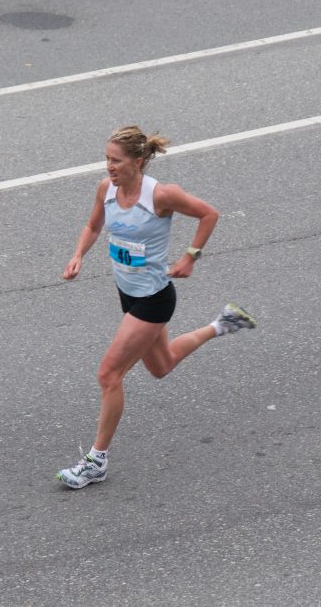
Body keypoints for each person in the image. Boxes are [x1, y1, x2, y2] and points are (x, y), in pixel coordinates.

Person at [56, 125, 257, 489]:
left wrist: (190, 256)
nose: (109, 167)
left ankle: (95, 461)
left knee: (109, 375)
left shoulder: (162, 195)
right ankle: (223, 323)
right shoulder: (107, 190)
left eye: (116, 161)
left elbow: (209, 214)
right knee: (161, 367)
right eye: (106, 159)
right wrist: (77, 255)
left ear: (138, 161)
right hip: (128, 293)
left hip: (152, 299)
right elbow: (92, 225)